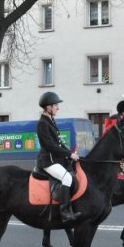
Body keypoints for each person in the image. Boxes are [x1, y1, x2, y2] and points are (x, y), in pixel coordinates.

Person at [36, 92, 81, 223]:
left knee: (73, 174)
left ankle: (71, 207)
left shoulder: (51, 121)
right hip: (48, 161)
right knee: (66, 178)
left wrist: (71, 155)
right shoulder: (42, 124)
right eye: (55, 105)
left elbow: (59, 143)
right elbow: (50, 145)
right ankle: (65, 213)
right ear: (48, 107)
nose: (58, 108)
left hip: (56, 159)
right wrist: (69, 154)